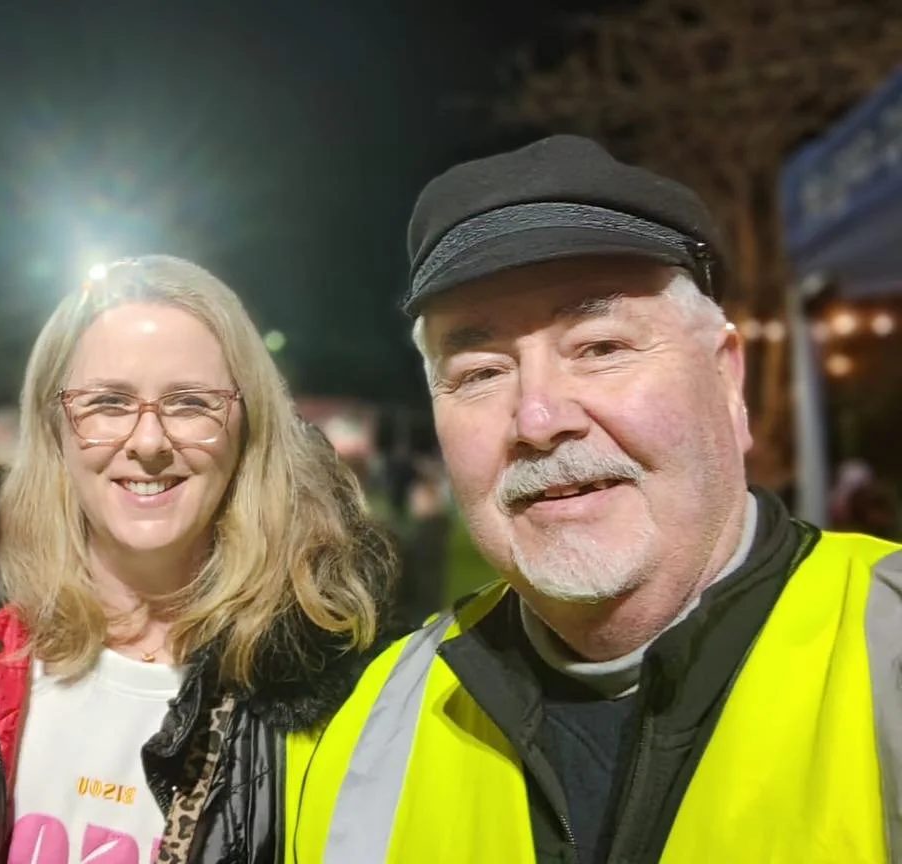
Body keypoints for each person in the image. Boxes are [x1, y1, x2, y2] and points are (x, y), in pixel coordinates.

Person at [286, 135, 902, 863]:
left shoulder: (885, 649)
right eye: (481, 372)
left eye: (601, 347)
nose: (540, 420)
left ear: (727, 381)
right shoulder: (360, 728)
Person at [0, 255, 396, 864]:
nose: (148, 443)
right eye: (109, 403)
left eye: (191, 403)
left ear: (247, 425)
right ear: (54, 427)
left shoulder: (334, 685)